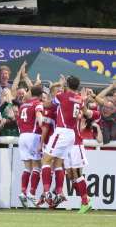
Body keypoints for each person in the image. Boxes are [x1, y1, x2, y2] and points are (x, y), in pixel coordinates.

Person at [41, 76, 84, 206]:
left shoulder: (62, 96)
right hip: (71, 133)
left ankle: (47, 191)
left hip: (62, 131)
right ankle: (59, 192)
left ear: (67, 83)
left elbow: (48, 104)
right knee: (58, 163)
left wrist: (38, 103)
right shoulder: (79, 99)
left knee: (46, 160)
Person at [16, 85, 43, 207]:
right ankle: (32, 193)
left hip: (22, 136)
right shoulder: (38, 103)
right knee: (37, 166)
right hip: (33, 136)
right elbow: (39, 116)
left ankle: (23, 192)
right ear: (41, 95)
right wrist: (43, 123)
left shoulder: (23, 105)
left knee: (27, 167)